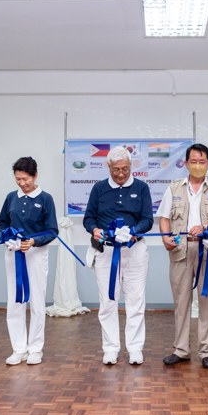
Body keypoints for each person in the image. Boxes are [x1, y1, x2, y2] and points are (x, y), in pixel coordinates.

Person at [157, 143, 208, 369]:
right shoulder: (174, 188)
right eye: (193, 162)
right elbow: (164, 217)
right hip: (181, 249)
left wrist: (205, 225)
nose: (198, 166)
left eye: (202, 161)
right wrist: (165, 238)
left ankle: (207, 351)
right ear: (186, 163)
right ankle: (181, 350)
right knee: (181, 302)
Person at [83, 146, 153, 366]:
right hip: (106, 252)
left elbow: (148, 219)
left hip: (134, 251)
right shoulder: (99, 189)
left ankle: (135, 349)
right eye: (116, 170)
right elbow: (88, 218)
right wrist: (94, 229)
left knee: (136, 301)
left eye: (125, 169)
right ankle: (111, 348)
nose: (121, 174)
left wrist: (134, 232)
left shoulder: (141, 188)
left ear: (131, 166)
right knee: (107, 302)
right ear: (108, 167)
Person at [0, 157, 58, 366]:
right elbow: (2, 224)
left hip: (36, 254)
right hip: (13, 254)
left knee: (37, 302)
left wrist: (33, 241)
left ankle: (35, 348)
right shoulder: (10, 198)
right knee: (15, 301)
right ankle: (18, 348)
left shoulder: (46, 198)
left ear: (35, 176)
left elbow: (52, 231)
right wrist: (5, 237)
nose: (22, 183)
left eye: (25, 179)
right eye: (18, 179)